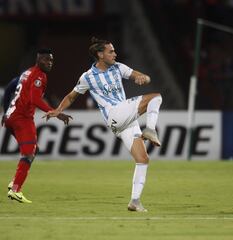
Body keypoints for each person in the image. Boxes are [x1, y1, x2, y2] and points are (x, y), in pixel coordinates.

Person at [44, 37, 163, 212]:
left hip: (123, 121)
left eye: (114, 51)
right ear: (100, 55)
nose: (115, 54)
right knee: (156, 97)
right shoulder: (88, 77)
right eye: (111, 51)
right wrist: (58, 109)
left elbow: (136, 75)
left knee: (142, 159)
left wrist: (143, 78)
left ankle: (135, 201)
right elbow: (71, 96)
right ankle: (151, 129)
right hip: (115, 114)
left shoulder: (118, 67)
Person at [1, 49, 72, 203]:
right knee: (28, 154)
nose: (49, 63)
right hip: (22, 119)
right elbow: (35, 99)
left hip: (11, 118)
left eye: (51, 60)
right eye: (46, 60)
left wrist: (5, 111)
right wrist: (56, 113)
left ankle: (15, 182)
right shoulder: (39, 76)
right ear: (38, 60)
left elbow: (9, 88)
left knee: (34, 149)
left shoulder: (26, 73)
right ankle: (15, 190)